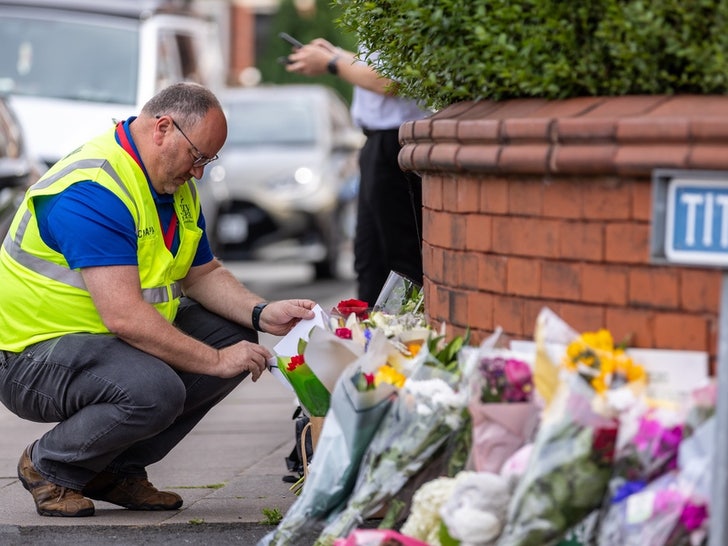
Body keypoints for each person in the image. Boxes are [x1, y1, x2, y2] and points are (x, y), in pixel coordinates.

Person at [0, 82, 316, 517]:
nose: (199, 172)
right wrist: (215, 361)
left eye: (209, 160)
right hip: (31, 357)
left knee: (234, 334)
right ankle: (49, 465)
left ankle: (114, 469)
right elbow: (125, 316)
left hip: (101, 344)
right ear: (163, 128)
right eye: (198, 156)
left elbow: (202, 274)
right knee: (156, 389)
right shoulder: (93, 190)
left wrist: (262, 312)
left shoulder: (170, 184)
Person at [286, 39, 430, 306]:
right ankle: (372, 339)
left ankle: (405, 338)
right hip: (380, 143)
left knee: (399, 260)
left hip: (396, 142)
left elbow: (389, 80)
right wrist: (337, 54)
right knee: (370, 260)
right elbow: (382, 68)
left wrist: (331, 63)